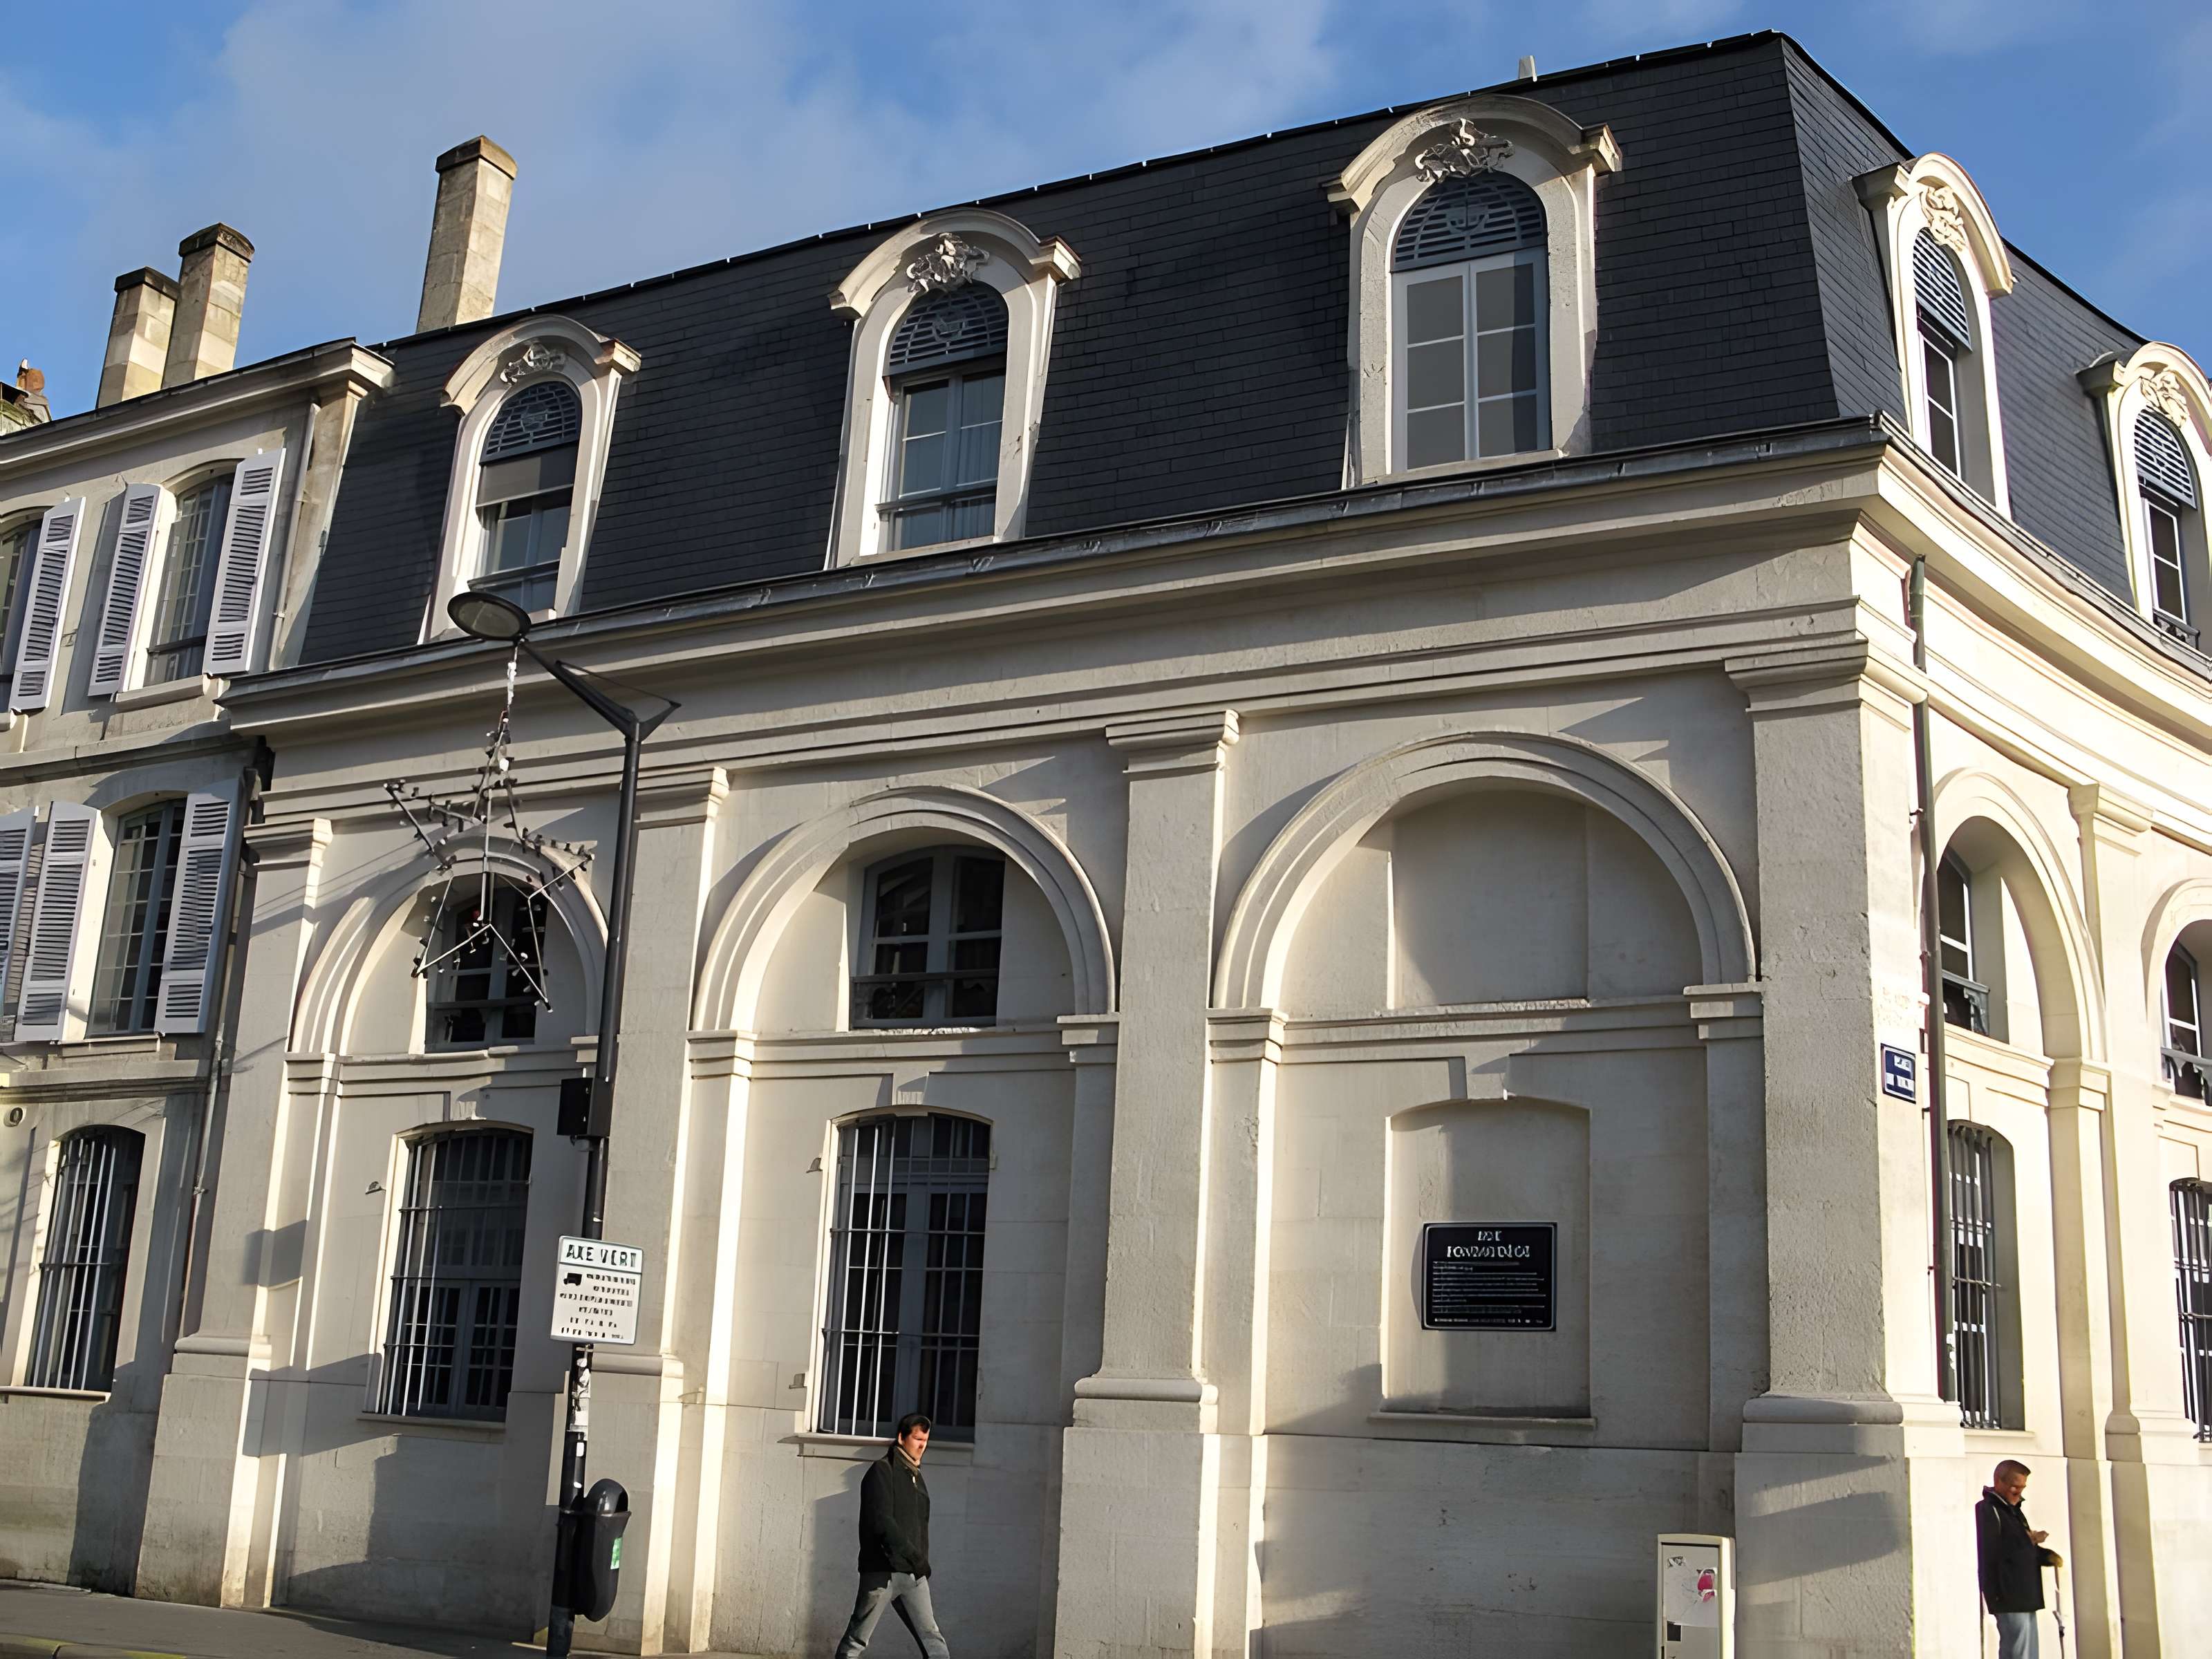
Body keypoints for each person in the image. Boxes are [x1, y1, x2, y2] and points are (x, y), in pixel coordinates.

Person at [834, 1412, 951, 1659]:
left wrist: (920, 1564)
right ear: (901, 1437)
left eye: (925, 1440)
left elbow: (919, 1525)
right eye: (917, 1439)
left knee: (934, 1642)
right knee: (856, 1641)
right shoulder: (882, 1471)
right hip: (882, 1572)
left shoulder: (915, 1476)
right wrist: (915, 1558)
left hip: (913, 1574)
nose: (922, 1446)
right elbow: (882, 1522)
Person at [1976, 1459, 2061, 1659]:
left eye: (2022, 1488)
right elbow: (1994, 1549)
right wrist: (2029, 1540)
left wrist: (2044, 1556)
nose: (2019, 1493)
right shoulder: (1989, 1509)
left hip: (2026, 1594)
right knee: (2017, 1651)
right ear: (1999, 1481)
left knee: (2030, 1652)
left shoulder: (2013, 1510)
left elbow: (2021, 1547)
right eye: (2014, 1487)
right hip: (2007, 1593)